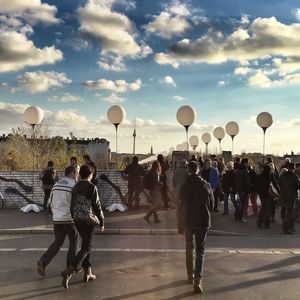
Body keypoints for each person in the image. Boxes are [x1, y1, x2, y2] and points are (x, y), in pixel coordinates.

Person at [61, 165, 104, 289]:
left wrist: (73, 216)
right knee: (86, 247)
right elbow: (97, 206)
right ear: (90, 175)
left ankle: (87, 273)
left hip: (77, 219)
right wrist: (101, 221)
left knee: (86, 244)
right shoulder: (92, 187)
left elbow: (72, 204)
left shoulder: (75, 186)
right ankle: (69, 271)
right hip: (87, 219)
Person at [37, 166, 78, 277]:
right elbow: (75, 203)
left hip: (57, 219)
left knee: (58, 242)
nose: (77, 175)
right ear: (73, 173)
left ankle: (43, 261)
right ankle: (69, 268)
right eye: (77, 173)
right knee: (74, 242)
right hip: (69, 219)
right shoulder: (74, 185)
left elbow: (50, 202)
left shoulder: (56, 185)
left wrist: (56, 213)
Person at [178, 161, 212, 294]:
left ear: (188, 170)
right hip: (203, 221)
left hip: (188, 221)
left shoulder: (184, 187)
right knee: (200, 250)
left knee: (189, 248)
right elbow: (212, 203)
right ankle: (198, 280)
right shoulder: (207, 185)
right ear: (198, 170)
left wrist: (180, 227)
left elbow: (180, 209)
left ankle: (189, 276)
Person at [279, 163, 300, 234]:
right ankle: (287, 228)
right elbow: (298, 185)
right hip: (292, 196)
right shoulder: (294, 176)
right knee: (290, 213)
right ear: (293, 168)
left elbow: (279, 184)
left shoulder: (282, 176)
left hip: (284, 196)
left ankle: (290, 227)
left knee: (288, 212)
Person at [256, 164, 279, 228]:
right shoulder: (270, 175)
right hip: (268, 194)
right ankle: (266, 224)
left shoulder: (260, 175)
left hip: (261, 194)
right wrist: (279, 191)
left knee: (263, 208)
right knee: (268, 209)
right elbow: (275, 184)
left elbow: (257, 185)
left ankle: (259, 221)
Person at [234, 158, 251, 222]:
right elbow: (247, 182)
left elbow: (236, 181)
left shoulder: (238, 170)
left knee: (239, 203)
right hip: (244, 190)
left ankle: (236, 215)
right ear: (245, 163)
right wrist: (249, 191)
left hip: (239, 189)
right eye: (247, 162)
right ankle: (240, 218)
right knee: (242, 205)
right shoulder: (245, 171)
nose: (248, 164)